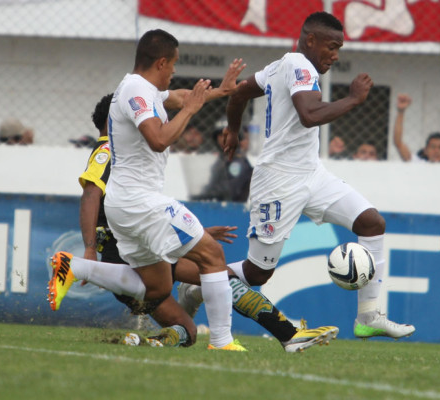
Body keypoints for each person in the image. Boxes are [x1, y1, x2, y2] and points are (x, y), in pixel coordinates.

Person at [75, 93, 338, 352]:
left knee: (214, 283)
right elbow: (91, 193)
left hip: (144, 243)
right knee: (196, 313)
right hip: (122, 252)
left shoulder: (125, 153)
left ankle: (288, 335)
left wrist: (190, 236)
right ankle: (90, 284)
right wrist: (89, 249)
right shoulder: (109, 150)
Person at [48, 29, 249, 351]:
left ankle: (76, 267)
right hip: (141, 203)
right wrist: (191, 111)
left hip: (124, 206)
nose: (174, 71)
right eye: (174, 64)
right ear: (161, 61)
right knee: (212, 254)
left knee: (156, 288)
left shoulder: (140, 89)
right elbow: (158, 139)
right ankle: (223, 342)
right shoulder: (136, 92)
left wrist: (221, 91)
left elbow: (182, 96)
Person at [223, 11, 415, 340]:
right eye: (332, 46)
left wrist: (233, 128)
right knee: (257, 273)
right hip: (279, 181)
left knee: (372, 223)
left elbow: (240, 92)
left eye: (339, 48)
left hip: (312, 174)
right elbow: (309, 115)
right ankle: (197, 283)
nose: (335, 55)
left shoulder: (282, 64)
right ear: (310, 40)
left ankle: (368, 316)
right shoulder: (300, 65)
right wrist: (354, 99)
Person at [192, 125, 253, 202]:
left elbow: (231, 190)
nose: (224, 138)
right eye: (221, 135)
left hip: (233, 207)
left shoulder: (238, 162)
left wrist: (209, 193)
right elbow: (212, 183)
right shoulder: (221, 160)